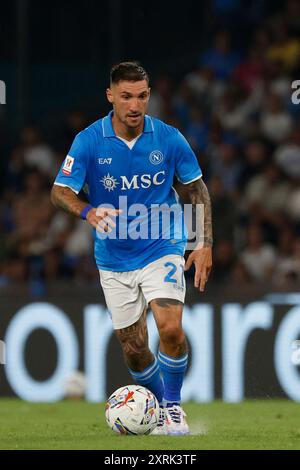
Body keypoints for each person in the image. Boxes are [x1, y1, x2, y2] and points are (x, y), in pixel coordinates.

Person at [51, 61, 213, 435]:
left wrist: (202, 242)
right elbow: (60, 192)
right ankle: (155, 409)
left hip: (163, 243)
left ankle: (172, 409)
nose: (135, 105)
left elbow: (195, 189)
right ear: (111, 96)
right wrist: (88, 211)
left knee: (170, 328)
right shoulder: (89, 141)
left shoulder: (169, 138)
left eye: (141, 96)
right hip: (114, 256)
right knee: (134, 347)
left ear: (149, 96)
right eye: (126, 97)